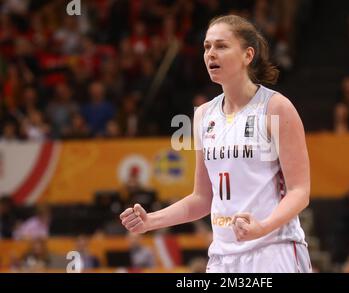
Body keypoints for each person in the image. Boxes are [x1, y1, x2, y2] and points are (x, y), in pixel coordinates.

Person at [120, 15, 311, 273]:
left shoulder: (276, 107)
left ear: (247, 55)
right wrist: (150, 221)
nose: (211, 54)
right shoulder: (203, 115)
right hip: (223, 256)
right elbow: (202, 198)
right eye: (207, 47)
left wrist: (262, 227)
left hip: (273, 250)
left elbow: (300, 192)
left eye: (221, 46)